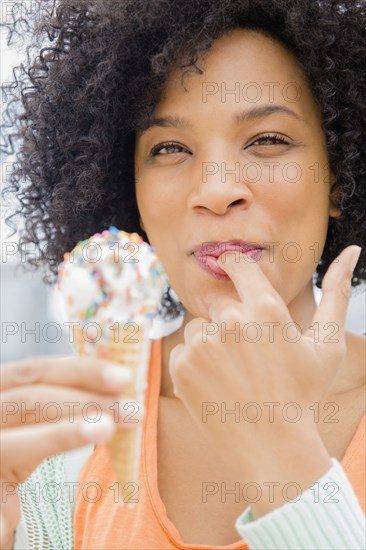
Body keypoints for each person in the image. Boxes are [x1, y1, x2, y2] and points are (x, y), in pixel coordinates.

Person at [1, 0, 365, 548]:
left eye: (268, 140)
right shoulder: (64, 442)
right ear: (131, 194)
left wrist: (284, 458)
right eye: (169, 148)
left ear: (339, 177)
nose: (216, 190)